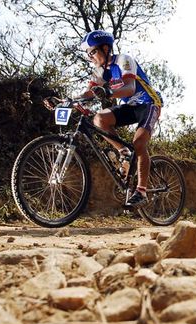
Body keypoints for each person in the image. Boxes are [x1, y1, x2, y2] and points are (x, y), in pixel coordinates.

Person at [79, 30, 162, 208]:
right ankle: (125, 152)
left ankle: (141, 191)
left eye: (92, 52)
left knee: (139, 143)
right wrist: (66, 101)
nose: (90, 57)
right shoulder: (100, 72)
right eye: (88, 55)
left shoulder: (123, 60)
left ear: (106, 48)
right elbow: (88, 93)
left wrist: (108, 91)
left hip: (148, 102)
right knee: (99, 119)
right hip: (131, 107)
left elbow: (130, 88)